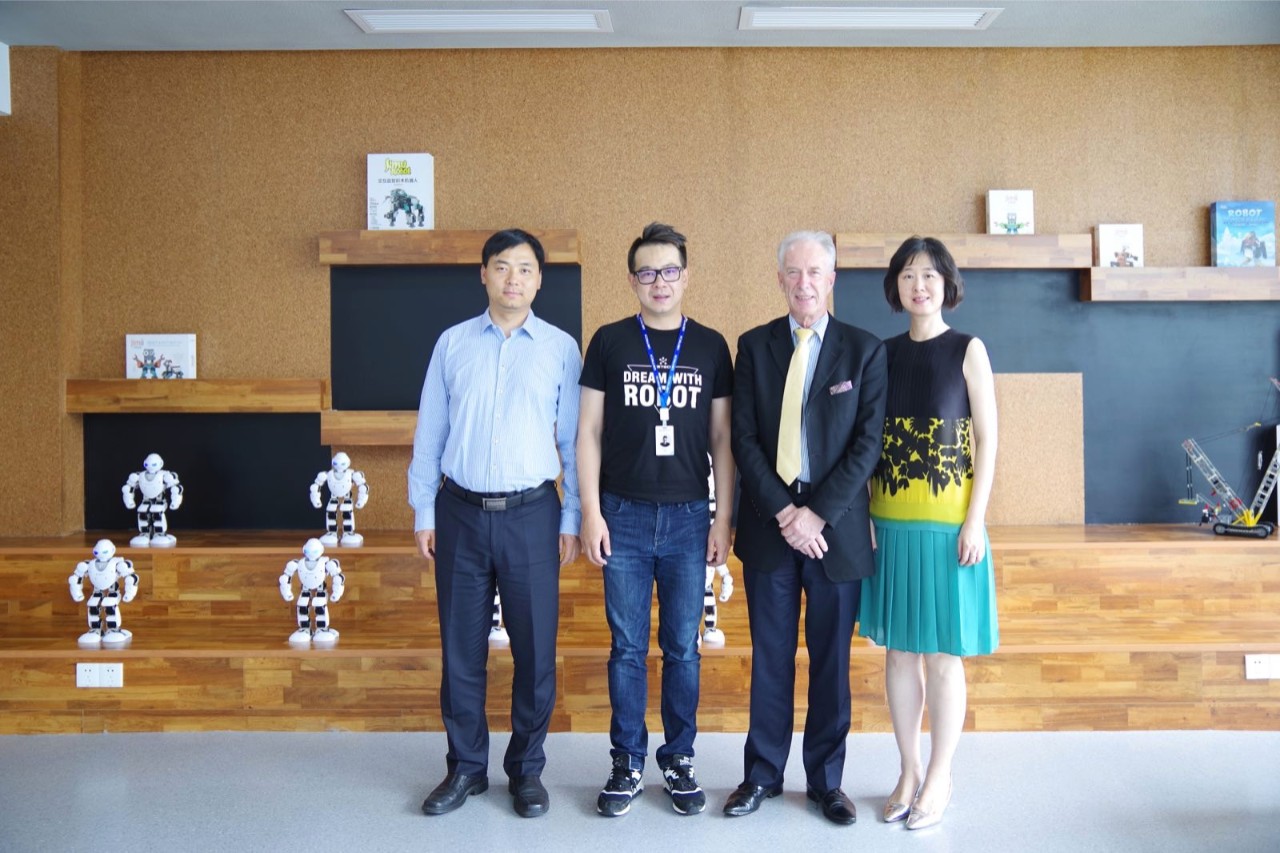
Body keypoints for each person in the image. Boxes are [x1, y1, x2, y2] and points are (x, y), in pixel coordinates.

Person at [408, 228, 582, 819]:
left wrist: (574, 515)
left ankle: (526, 772)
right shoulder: (452, 344)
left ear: (539, 279)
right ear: (483, 274)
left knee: (535, 651)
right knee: (461, 649)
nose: (513, 278)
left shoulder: (561, 348)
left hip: (534, 514)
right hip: (458, 513)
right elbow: (430, 434)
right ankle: (465, 768)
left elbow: (573, 439)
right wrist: (424, 510)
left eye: (525, 268)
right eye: (502, 267)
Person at [725, 230, 887, 826]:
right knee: (770, 658)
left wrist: (816, 514)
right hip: (772, 528)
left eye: (815, 272)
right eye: (793, 273)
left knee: (829, 663)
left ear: (832, 278)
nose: (804, 283)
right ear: (779, 280)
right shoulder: (754, 346)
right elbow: (743, 439)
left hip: (836, 533)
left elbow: (866, 446)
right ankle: (762, 775)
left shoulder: (865, 351)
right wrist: (786, 513)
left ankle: (826, 782)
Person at [578, 222, 734, 818]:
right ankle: (627, 760)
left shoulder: (711, 346)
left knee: (682, 648)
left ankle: (679, 758)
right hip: (623, 513)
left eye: (670, 270)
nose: (659, 281)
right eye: (647, 272)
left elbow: (722, 440)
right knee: (625, 647)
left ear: (686, 275)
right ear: (632, 280)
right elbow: (588, 432)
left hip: (692, 516)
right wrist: (591, 511)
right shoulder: (611, 341)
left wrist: (722, 519)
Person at [857, 236, 998, 831]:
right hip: (891, 523)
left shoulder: (968, 350)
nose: (920, 285)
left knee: (943, 657)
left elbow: (988, 439)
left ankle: (940, 774)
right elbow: (866, 443)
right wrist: (864, 516)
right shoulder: (880, 354)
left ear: (947, 284)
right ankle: (908, 769)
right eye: (909, 275)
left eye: (930, 275)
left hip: (948, 529)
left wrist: (976, 519)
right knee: (899, 656)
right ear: (896, 286)